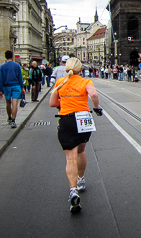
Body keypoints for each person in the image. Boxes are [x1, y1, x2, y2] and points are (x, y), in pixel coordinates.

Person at [49, 58, 103, 213]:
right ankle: (81, 180)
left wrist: (64, 100)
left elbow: (53, 103)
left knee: (70, 158)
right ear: (81, 69)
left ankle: (73, 191)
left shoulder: (60, 81)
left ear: (67, 69)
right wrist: (96, 108)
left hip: (66, 119)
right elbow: (93, 94)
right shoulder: (86, 81)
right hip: (83, 120)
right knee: (81, 151)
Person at [0, 50, 25, 128]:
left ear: (5, 56)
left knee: (8, 103)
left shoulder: (2, 66)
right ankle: (13, 120)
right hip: (16, 85)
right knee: (15, 103)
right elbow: (20, 76)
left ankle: (9, 117)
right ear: (12, 56)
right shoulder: (16, 65)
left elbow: (0, 78)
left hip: (6, 86)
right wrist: (22, 86)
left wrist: (0, 89)